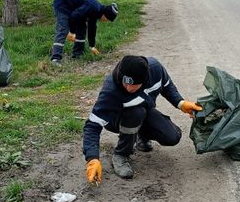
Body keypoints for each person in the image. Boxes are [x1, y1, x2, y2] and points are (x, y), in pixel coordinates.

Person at [83, 55, 202, 183]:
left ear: (145, 80)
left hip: (143, 111)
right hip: (117, 119)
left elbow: (167, 87)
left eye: (134, 85)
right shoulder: (111, 90)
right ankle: (121, 154)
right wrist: (92, 157)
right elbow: (92, 125)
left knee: (172, 136)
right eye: (125, 83)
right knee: (136, 112)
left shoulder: (155, 69)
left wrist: (180, 103)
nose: (128, 88)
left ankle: (142, 138)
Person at [50, 0, 118, 65]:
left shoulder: (97, 10)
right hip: (62, 4)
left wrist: (92, 46)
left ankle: (77, 55)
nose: (106, 21)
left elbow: (92, 29)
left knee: (82, 28)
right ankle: (55, 59)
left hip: (75, 8)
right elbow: (74, 16)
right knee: (63, 30)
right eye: (107, 19)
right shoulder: (94, 7)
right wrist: (72, 32)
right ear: (106, 15)